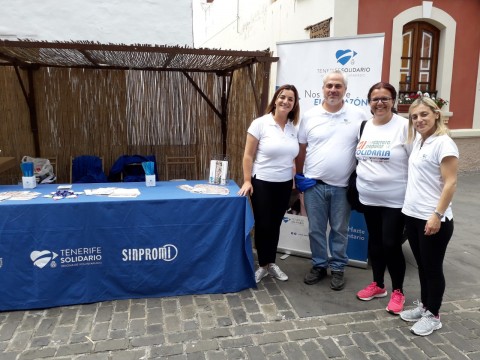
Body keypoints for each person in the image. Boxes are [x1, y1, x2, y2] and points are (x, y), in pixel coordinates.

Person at [295, 70, 368, 290]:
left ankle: (337, 268)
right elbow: (301, 148)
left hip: (342, 188)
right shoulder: (310, 115)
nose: (333, 90)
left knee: (339, 230)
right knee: (315, 230)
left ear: (345, 90)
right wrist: (299, 176)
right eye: (329, 86)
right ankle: (318, 265)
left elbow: (366, 147)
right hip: (313, 186)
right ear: (323, 89)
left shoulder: (359, 115)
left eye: (338, 86)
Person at [399, 97, 458, 336]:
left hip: (433, 218)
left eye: (424, 114)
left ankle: (433, 315)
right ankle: (424, 306)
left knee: (432, 268)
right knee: (422, 265)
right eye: (414, 117)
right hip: (412, 215)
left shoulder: (444, 143)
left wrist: (437, 215)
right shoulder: (420, 142)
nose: (419, 120)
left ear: (436, 114)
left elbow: (451, 183)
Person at [355, 82, 410, 315]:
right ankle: (378, 285)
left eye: (385, 98)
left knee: (391, 244)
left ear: (393, 101)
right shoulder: (365, 126)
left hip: (395, 199)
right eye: (375, 99)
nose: (380, 103)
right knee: (375, 242)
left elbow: (415, 162)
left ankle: (398, 291)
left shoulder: (405, 127)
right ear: (369, 102)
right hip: (368, 197)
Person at [238, 84, 300, 283]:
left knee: (275, 225)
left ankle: (271, 263)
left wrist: (293, 180)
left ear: (294, 104)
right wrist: (247, 180)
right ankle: (262, 265)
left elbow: (291, 157)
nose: (286, 101)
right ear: (275, 100)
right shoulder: (260, 123)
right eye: (282, 97)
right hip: (262, 183)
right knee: (263, 225)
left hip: (284, 185)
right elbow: (248, 155)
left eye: (290, 99)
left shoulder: (293, 127)